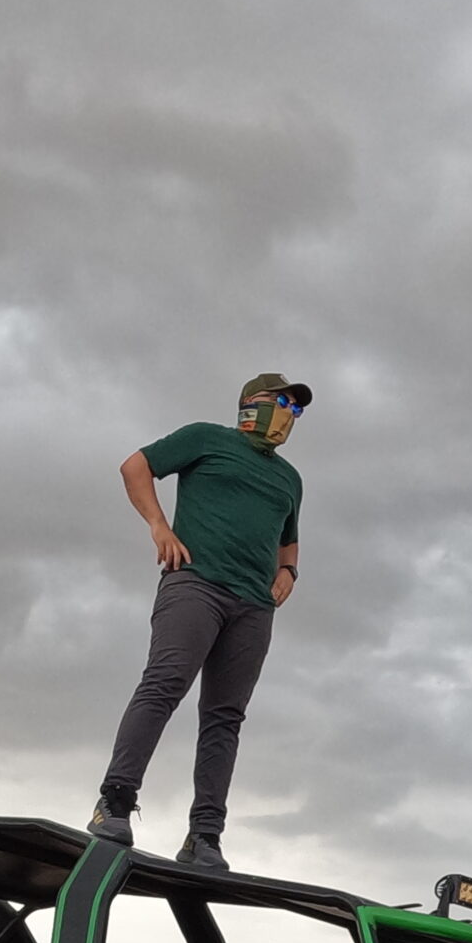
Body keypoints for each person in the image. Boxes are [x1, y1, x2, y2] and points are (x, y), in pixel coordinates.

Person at [88, 373, 311, 871]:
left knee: (225, 718)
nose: (288, 414)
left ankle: (204, 837)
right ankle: (114, 804)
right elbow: (135, 466)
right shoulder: (206, 438)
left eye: (295, 409)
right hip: (196, 584)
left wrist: (289, 571)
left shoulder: (289, 478)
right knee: (165, 683)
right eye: (281, 401)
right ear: (250, 404)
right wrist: (159, 527)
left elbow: (289, 536)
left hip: (253, 605)